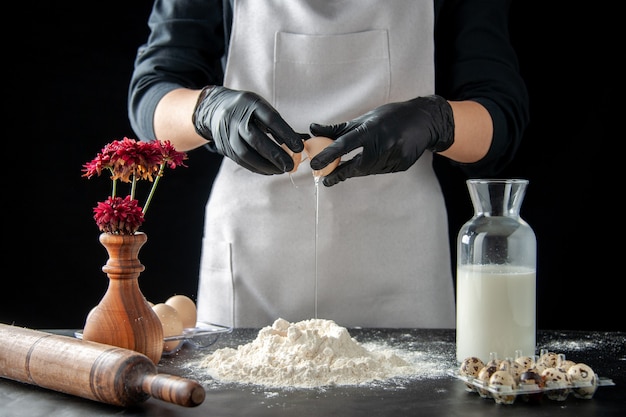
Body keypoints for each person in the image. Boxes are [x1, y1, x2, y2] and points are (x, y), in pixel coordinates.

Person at [128, 0, 529, 329]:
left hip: (399, 261)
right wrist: (208, 112)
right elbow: (152, 96)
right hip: (255, 259)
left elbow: (501, 117)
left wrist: (434, 121)